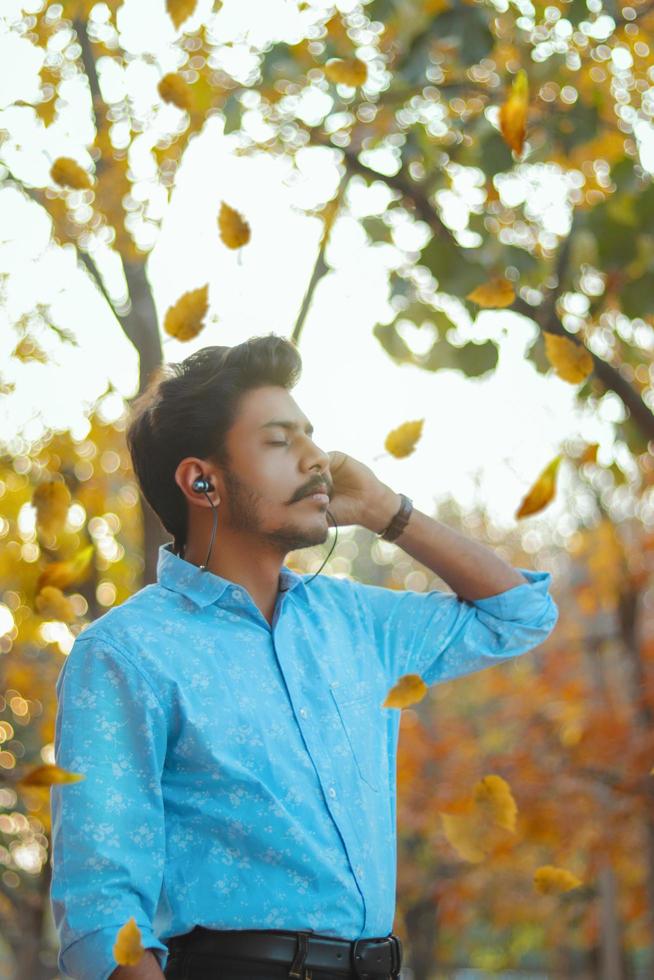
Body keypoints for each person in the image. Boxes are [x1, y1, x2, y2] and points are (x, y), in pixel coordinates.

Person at [49, 334, 559, 980]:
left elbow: (520, 614)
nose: (318, 459)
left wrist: (385, 511)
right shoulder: (126, 652)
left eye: (311, 435)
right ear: (201, 479)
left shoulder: (356, 623)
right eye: (280, 441)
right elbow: (102, 913)